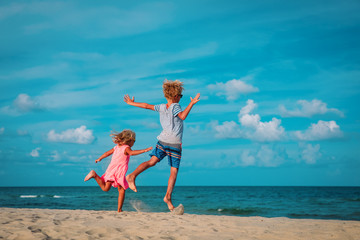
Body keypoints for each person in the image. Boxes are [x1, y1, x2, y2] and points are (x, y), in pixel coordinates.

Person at [124, 79, 200, 212]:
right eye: (180, 96)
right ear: (176, 96)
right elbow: (182, 117)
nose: (180, 98)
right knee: (174, 171)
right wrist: (192, 103)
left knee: (151, 161)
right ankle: (168, 197)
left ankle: (132, 175)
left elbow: (146, 105)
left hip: (162, 141)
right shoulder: (176, 106)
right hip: (174, 143)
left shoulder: (161, 107)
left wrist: (131, 103)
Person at [84, 130, 152, 212]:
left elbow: (107, 153)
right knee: (121, 190)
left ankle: (94, 175)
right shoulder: (126, 148)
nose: (134, 143)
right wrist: (144, 150)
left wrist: (100, 158)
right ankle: (119, 209)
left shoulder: (116, 147)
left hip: (111, 169)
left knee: (106, 188)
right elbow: (132, 153)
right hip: (119, 171)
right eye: (134, 141)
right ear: (129, 140)